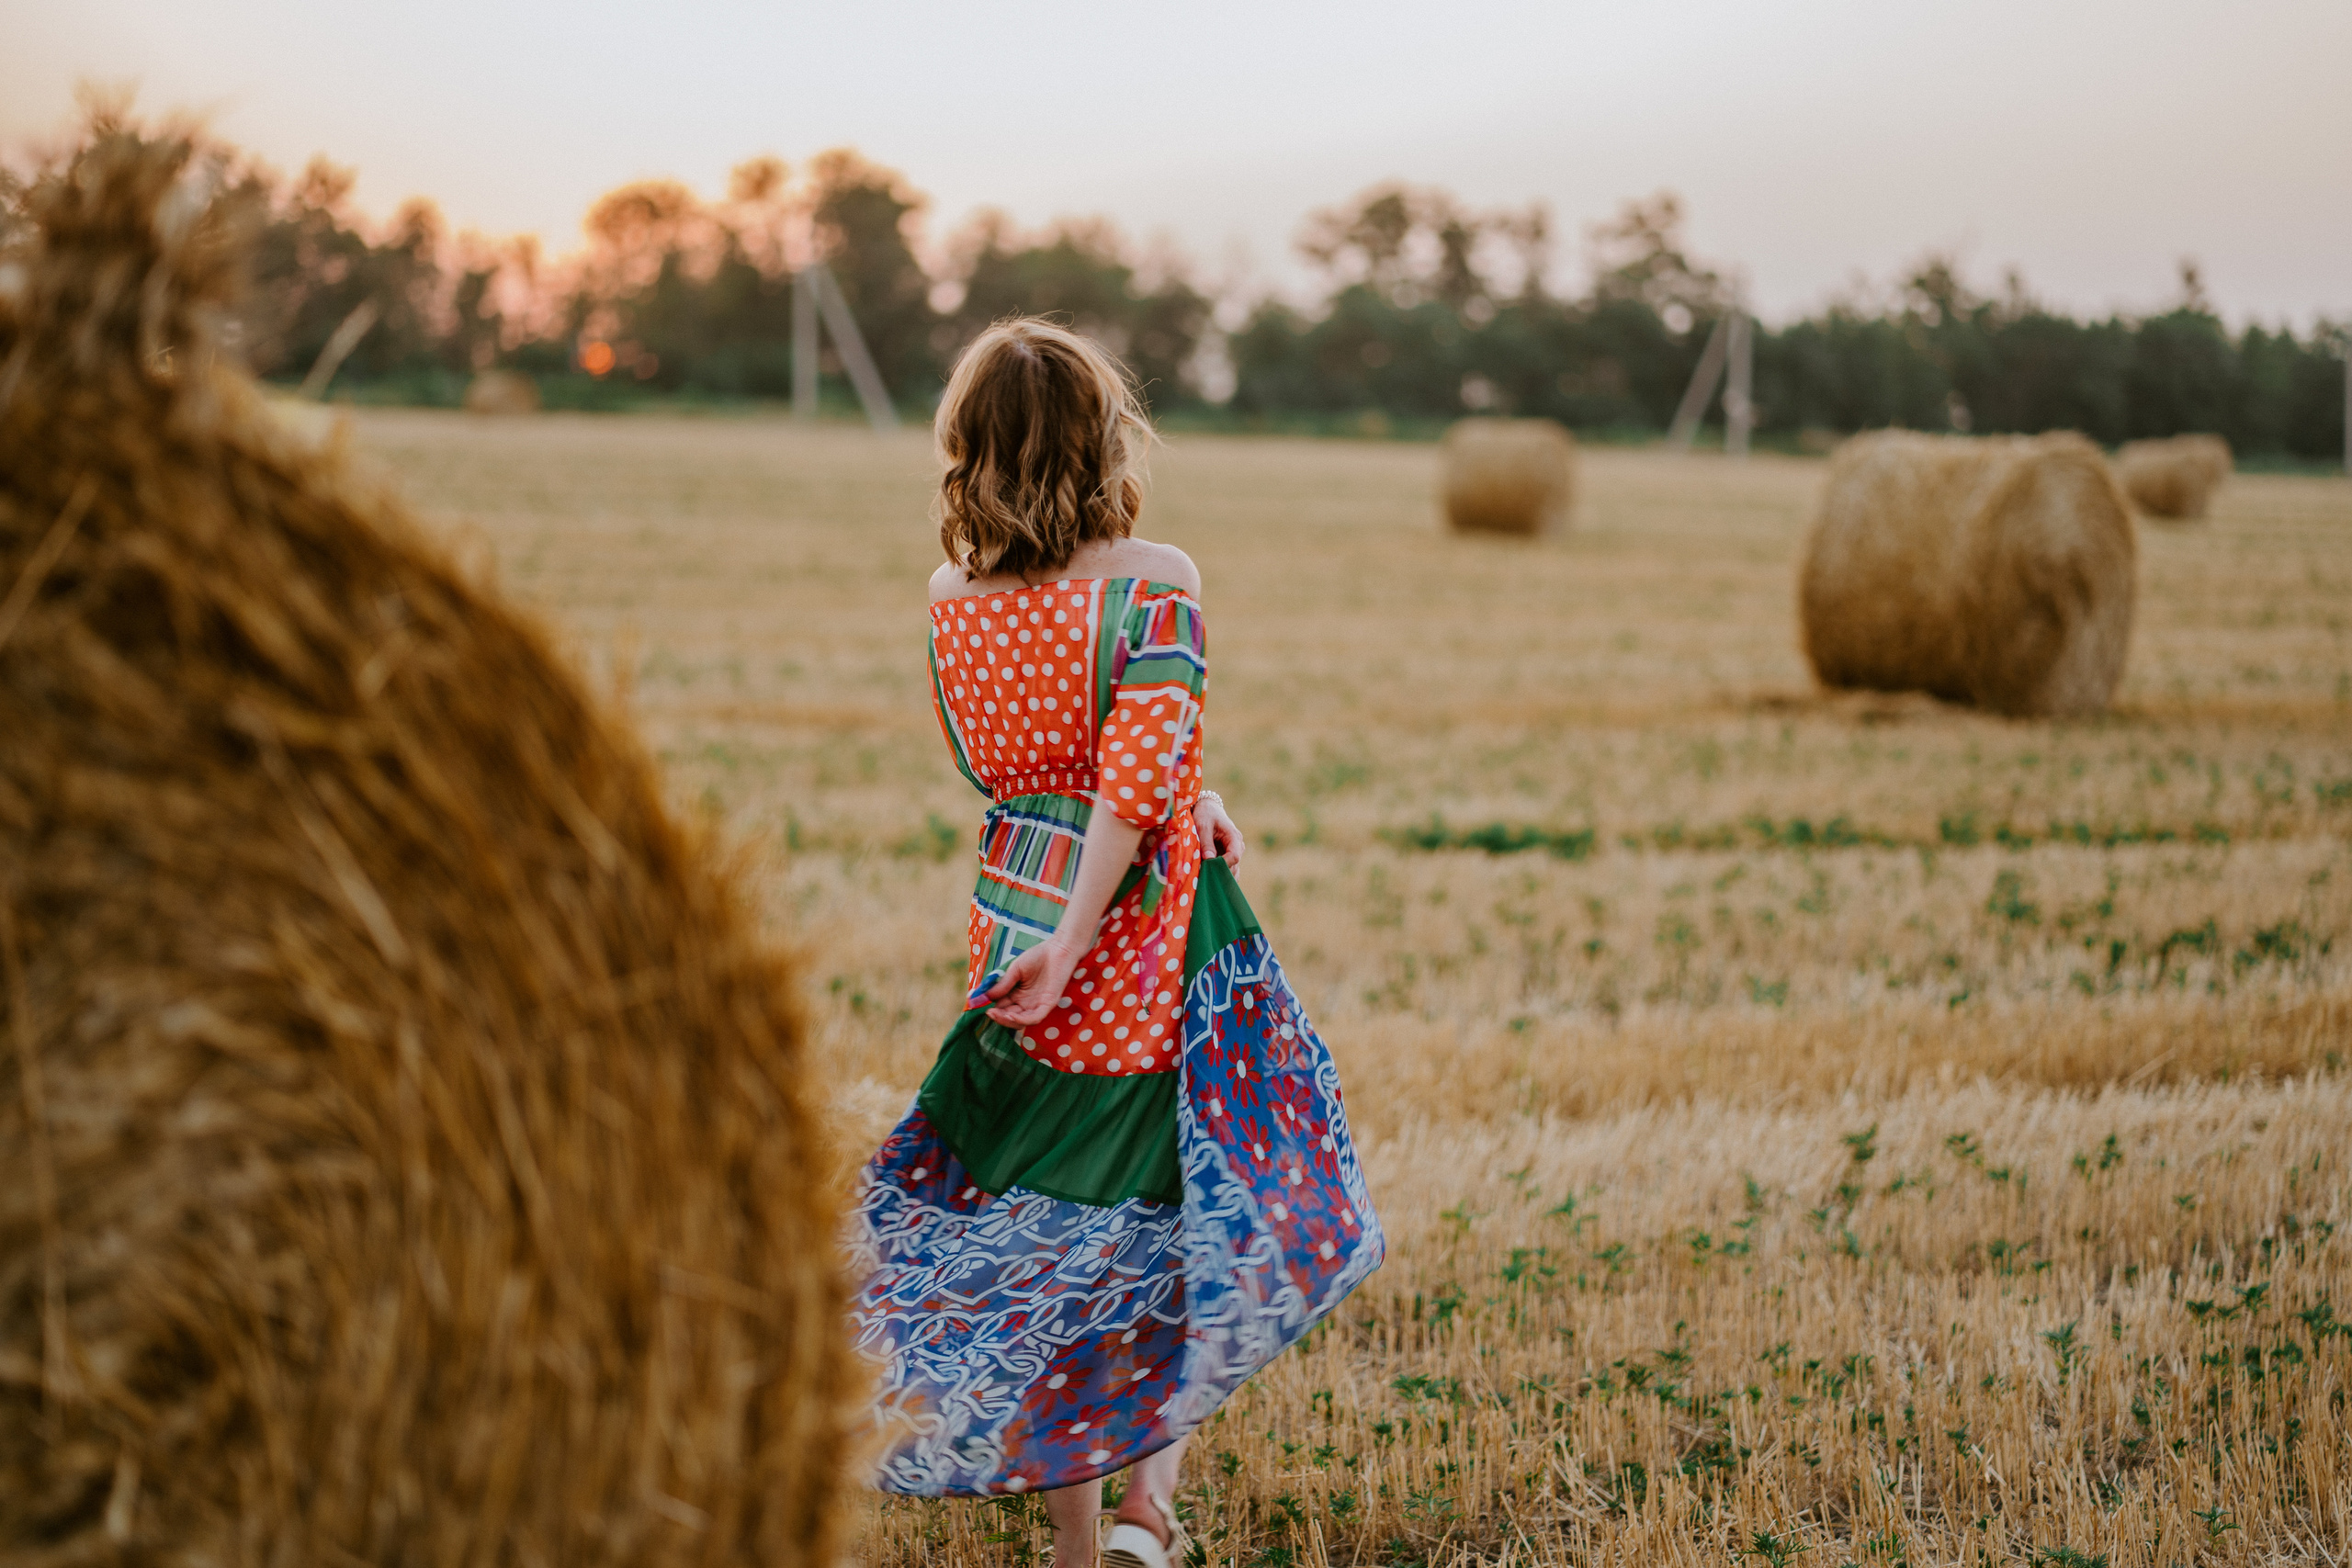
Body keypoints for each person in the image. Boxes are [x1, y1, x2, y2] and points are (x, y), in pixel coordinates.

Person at [847, 319, 1384, 1567]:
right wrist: (1097, 919)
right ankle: (1146, 1505)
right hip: (1147, 934)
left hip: (1012, 916)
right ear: (1103, 439)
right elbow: (1122, 793)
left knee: (1059, 1226)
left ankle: (1090, 1548)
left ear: (966, 450)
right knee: (1196, 1196)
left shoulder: (948, 605)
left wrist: (1158, 819)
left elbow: (1018, 777)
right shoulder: (1157, 577)